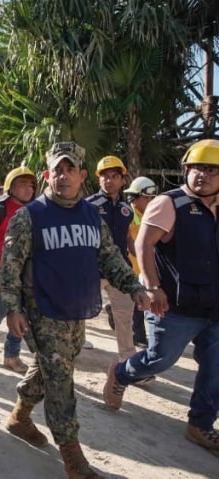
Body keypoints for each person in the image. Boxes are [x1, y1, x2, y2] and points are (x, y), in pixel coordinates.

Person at [2, 142, 148, 479]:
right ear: (46, 175)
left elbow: (109, 256)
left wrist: (133, 286)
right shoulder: (29, 217)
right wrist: (12, 309)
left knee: (51, 366)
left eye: (70, 169)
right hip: (43, 309)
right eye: (57, 169)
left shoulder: (90, 215)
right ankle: (72, 456)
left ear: (82, 176)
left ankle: (20, 416)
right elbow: (10, 268)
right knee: (61, 379)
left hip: (76, 308)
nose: (63, 175)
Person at [103, 139, 219, 457]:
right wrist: (153, 287)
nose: (203, 175)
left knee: (216, 367)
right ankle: (122, 373)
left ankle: (200, 423)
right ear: (185, 170)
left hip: (214, 306)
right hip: (175, 305)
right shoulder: (171, 203)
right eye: (197, 168)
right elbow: (144, 244)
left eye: (212, 170)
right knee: (160, 359)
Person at [0, 165, 37, 374]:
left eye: (31, 185)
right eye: (22, 184)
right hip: (1, 270)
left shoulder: (35, 211)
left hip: (26, 273)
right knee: (2, 307)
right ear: (11, 187)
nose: (28, 189)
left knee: (21, 313)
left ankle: (11, 356)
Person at [86, 156, 136, 359]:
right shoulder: (87, 206)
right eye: (105, 176)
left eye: (114, 176)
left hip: (120, 272)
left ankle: (128, 359)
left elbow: (127, 238)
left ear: (123, 180)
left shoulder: (127, 210)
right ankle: (73, 346)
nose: (109, 180)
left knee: (125, 316)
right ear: (99, 180)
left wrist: (139, 258)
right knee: (78, 312)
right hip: (92, 270)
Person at [123, 176, 158, 347]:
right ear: (135, 197)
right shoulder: (128, 214)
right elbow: (129, 241)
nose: (150, 201)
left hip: (143, 266)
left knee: (137, 301)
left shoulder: (151, 214)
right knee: (138, 303)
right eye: (147, 198)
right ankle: (139, 337)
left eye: (152, 198)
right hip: (132, 266)